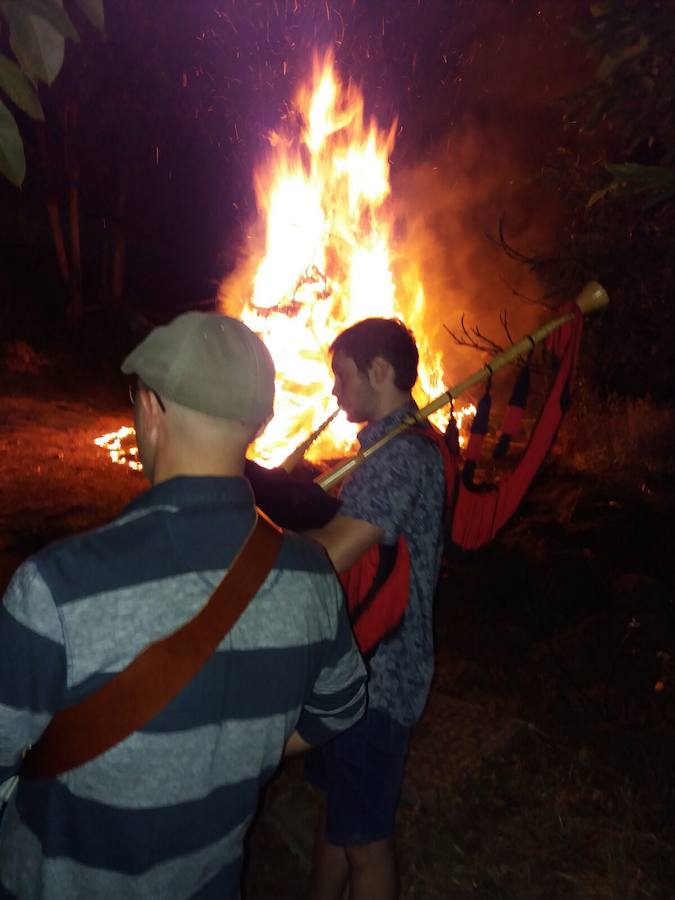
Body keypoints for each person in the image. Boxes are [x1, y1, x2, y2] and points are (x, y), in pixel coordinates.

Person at [0, 312, 367, 900]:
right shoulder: (312, 579)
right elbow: (340, 710)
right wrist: (238, 739)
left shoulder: (55, 587)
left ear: (149, 408)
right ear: (262, 423)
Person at [304, 317, 449, 900]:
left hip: (378, 677)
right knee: (341, 819)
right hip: (355, 666)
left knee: (366, 842)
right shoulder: (390, 449)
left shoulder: (400, 458)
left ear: (380, 372)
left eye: (342, 376)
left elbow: (334, 553)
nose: (335, 392)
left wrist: (252, 533)